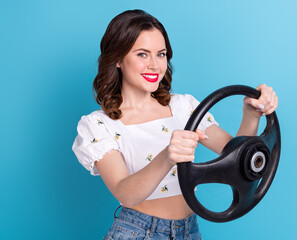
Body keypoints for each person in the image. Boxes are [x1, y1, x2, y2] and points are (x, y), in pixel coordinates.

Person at [72, 9, 278, 240]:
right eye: (142, 54)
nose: (154, 65)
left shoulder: (185, 107)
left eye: (160, 54)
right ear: (118, 59)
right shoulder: (98, 125)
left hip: (189, 230)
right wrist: (168, 156)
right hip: (137, 232)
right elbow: (125, 193)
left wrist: (252, 114)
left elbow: (238, 157)